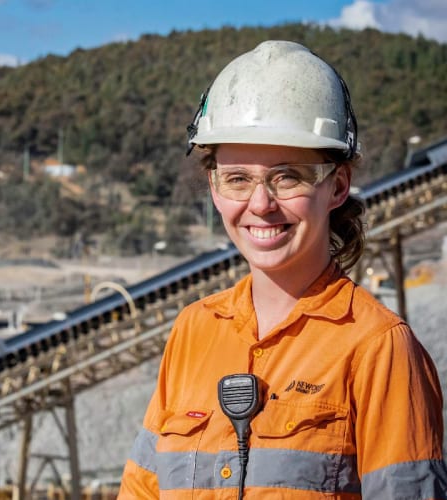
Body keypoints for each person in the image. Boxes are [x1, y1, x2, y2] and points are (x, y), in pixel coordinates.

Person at [118, 40, 447, 499]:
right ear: (213, 188)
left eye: (287, 176)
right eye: (237, 179)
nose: (260, 204)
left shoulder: (378, 348)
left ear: (338, 186)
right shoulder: (193, 332)